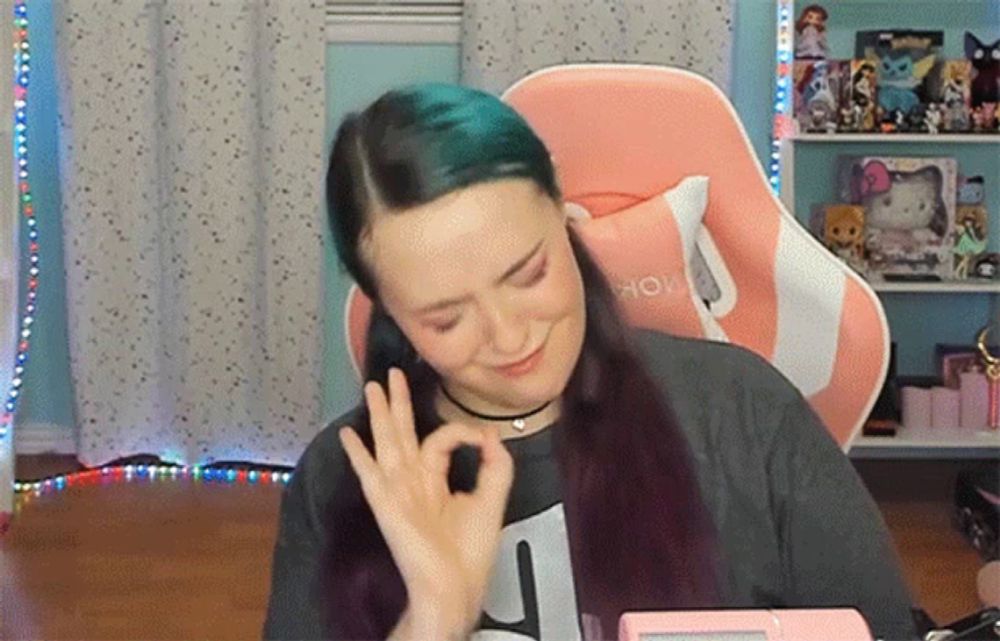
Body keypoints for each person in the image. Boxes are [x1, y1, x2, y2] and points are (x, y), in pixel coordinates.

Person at [263, 83, 919, 641]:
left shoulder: (742, 411)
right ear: (387, 309)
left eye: (528, 273)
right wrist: (432, 618)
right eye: (446, 317)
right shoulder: (340, 482)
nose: (508, 334)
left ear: (561, 208)